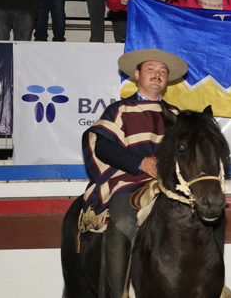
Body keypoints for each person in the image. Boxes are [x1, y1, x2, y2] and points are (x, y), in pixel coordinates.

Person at [80, 49, 188, 298]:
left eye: (163, 71)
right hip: (129, 181)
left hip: (171, 183)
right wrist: (141, 162)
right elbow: (102, 146)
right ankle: (117, 293)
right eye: (151, 69)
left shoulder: (178, 116)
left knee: (208, 214)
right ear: (137, 74)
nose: (157, 74)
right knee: (124, 219)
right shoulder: (119, 110)